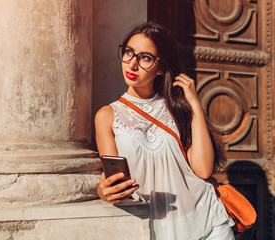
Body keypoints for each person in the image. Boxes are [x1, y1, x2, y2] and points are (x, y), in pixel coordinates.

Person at [95, 21, 235, 239]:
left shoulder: (176, 107)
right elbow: (116, 181)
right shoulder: (106, 116)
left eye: (145, 58)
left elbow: (203, 170)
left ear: (160, 68)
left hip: (208, 224)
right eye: (129, 53)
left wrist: (195, 105)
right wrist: (104, 192)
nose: (132, 65)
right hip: (157, 231)